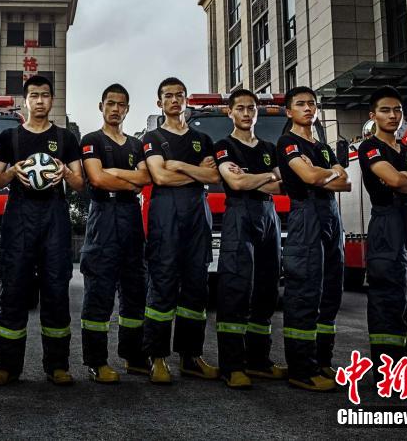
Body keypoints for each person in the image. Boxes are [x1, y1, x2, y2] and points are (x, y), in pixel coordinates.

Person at [0, 75, 84, 387]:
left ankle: (57, 365)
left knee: (56, 290)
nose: (39, 100)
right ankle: (6, 366)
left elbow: (81, 184)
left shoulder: (66, 138)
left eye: (45, 95)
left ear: (51, 100)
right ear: (25, 100)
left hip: (54, 217)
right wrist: (14, 172)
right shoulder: (10, 137)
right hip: (19, 216)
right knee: (13, 289)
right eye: (34, 95)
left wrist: (65, 172)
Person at [141, 77, 220, 384]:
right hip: (166, 216)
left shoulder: (203, 138)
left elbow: (212, 175)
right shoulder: (152, 137)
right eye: (168, 96)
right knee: (162, 284)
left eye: (179, 95)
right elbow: (159, 177)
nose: (174, 100)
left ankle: (191, 356)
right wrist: (194, 172)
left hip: (198, 216)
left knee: (197, 287)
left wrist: (180, 166)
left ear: (186, 101)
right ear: (159, 102)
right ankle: (157, 357)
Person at [277, 86, 351, 391]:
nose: (308, 108)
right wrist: (327, 175)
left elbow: (345, 183)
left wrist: (324, 174)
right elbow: (309, 179)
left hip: (330, 217)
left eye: (312, 104)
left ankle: (322, 361)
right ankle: (300, 369)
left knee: (330, 293)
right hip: (305, 217)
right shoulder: (287, 142)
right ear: (289, 111)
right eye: (301, 104)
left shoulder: (323, 147)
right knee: (304, 293)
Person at [358, 86, 407, 373]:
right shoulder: (369, 147)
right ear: (373, 115)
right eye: (385, 110)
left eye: (397, 110)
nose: (393, 116)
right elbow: (395, 182)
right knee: (388, 296)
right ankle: (387, 370)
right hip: (386, 222)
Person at [213, 88, 286, 390]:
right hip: (238, 217)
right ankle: (232, 366)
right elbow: (235, 181)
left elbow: (282, 187)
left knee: (267, 290)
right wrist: (267, 176)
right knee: (235, 288)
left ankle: (259, 361)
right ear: (229, 112)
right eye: (240, 108)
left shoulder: (270, 146)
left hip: (269, 218)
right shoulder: (223, 147)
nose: (246, 113)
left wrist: (257, 179)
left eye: (251, 108)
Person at [79, 84, 151, 383]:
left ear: (127, 109)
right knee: (100, 290)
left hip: (131, 217)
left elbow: (146, 178)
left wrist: (115, 175)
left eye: (121, 104)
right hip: (103, 218)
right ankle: (97, 361)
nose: (115, 109)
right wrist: (127, 179)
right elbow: (96, 178)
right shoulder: (91, 140)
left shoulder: (136, 144)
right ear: (101, 106)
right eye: (111, 103)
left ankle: (133, 356)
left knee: (135, 290)